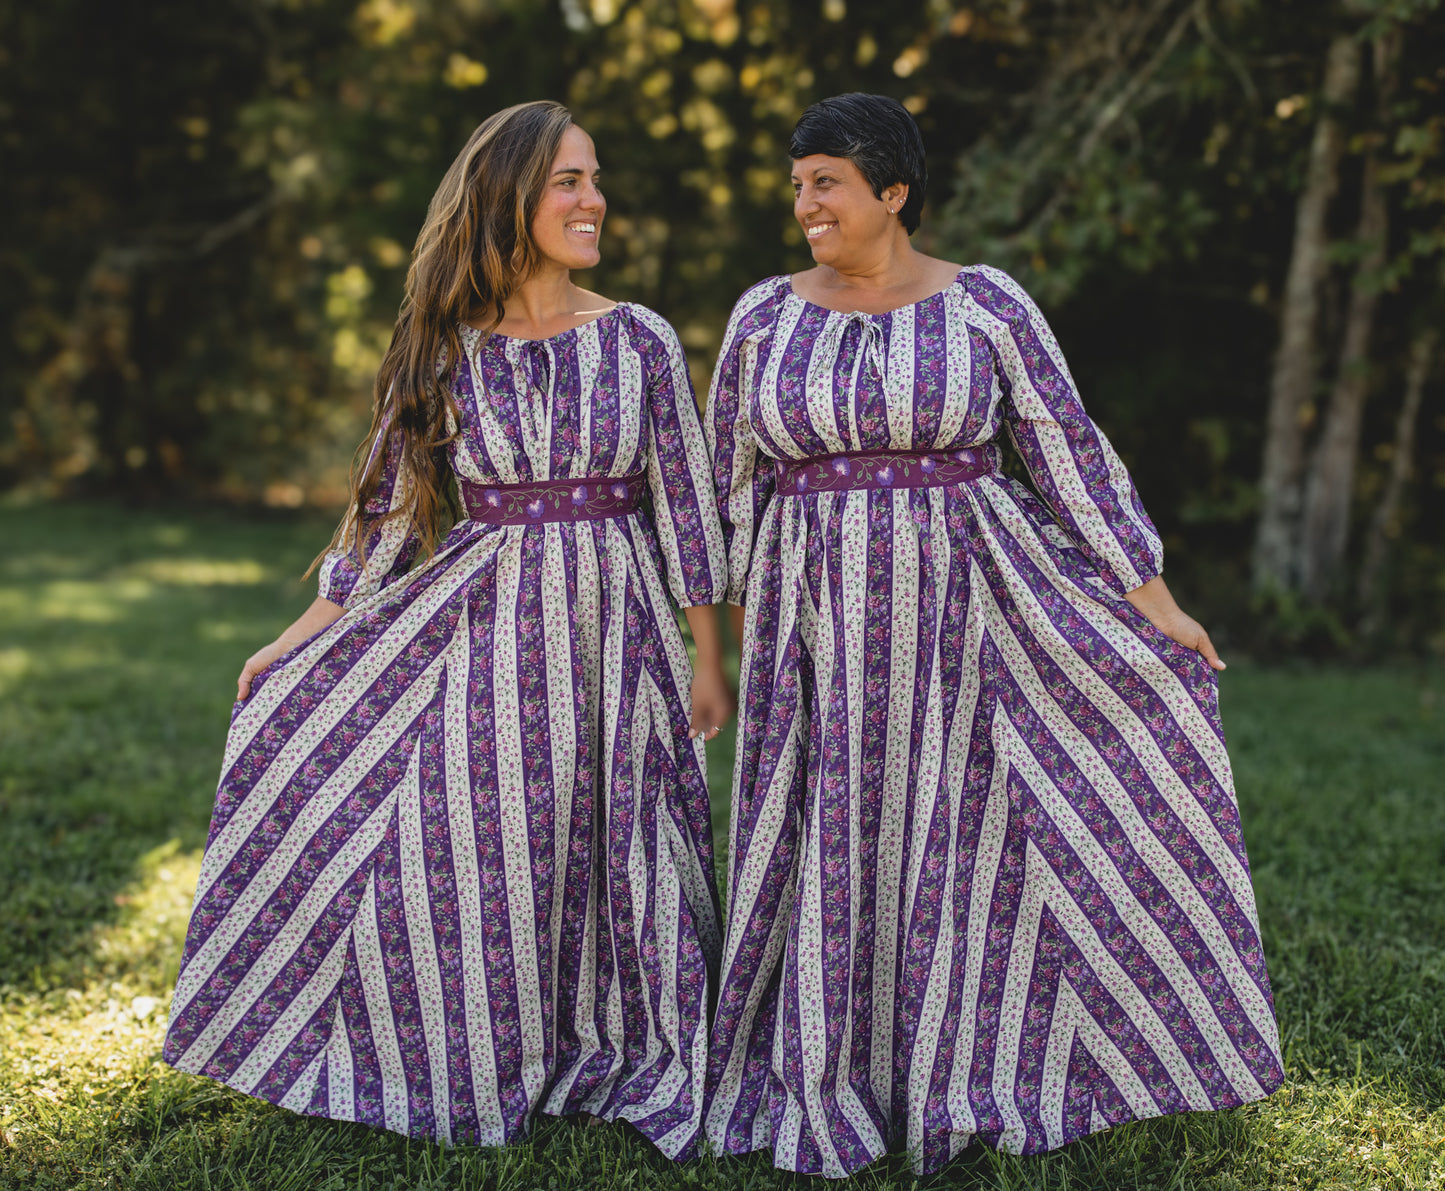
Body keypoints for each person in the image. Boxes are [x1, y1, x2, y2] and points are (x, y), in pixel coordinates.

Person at [702, 93, 1283, 1178]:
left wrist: (1152, 602)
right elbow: (725, 490)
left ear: (891, 191)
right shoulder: (761, 317)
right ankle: (825, 1071)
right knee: (829, 832)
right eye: (796, 186)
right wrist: (717, 647)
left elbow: (1063, 447)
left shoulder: (988, 306)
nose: (805, 204)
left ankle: (973, 1058)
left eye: (824, 181)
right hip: (812, 623)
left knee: (962, 832)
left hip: (972, 608)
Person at [162, 100, 732, 1160]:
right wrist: (304, 632)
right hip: (489, 620)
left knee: (624, 832)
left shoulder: (639, 338)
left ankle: (623, 1040)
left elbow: (685, 504)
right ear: (510, 195)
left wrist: (708, 655)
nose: (593, 199)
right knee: (497, 839)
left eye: (594, 178)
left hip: (620, 620)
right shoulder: (443, 348)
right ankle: (467, 1037)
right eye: (568, 180)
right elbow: (385, 509)